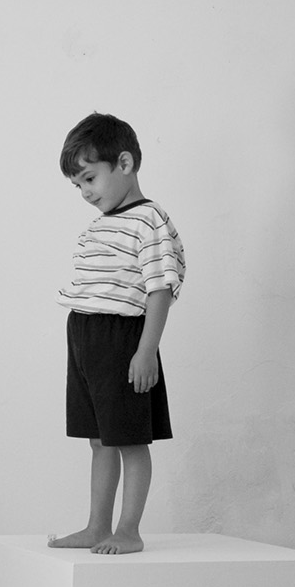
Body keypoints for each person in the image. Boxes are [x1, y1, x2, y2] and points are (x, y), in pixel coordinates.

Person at [47, 113, 186, 555]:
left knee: (129, 439)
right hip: (85, 336)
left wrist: (146, 351)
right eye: (78, 186)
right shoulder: (101, 223)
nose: (86, 193)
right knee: (99, 438)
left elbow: (159, 289)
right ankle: (97, 526)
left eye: (90, 179)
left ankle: (129, 530)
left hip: (121, 337)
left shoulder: (149, 220)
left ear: (124, 163)